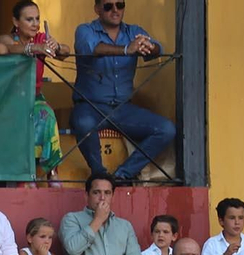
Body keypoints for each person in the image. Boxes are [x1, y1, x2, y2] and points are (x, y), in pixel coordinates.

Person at [69, 0, 173, 184]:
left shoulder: (133, 31)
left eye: (120, 4)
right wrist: (127, 49)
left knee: (166, 129)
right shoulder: (85, 30)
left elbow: (157, 49)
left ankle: (122, 174)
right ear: (97, 9)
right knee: (83, 124)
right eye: (108, 6)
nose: (115, 10)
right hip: (91, 106)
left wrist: (149, 46)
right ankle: (99, 176)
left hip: (123, 109)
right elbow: (91, 48)